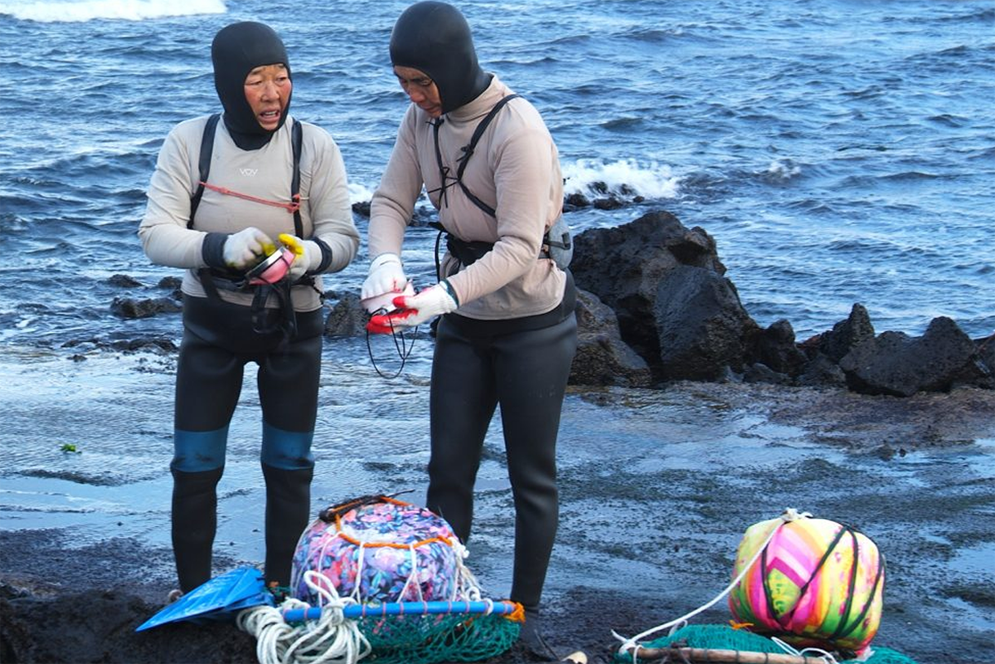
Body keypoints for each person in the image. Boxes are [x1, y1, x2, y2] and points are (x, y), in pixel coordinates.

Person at [360, 2, 577, 659]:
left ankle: (525, 615)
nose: (414, 96)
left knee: (529, 476)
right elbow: (391, 200)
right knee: (447, 470)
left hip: (532, 324)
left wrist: (440, 297)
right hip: (461, 322)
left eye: (422, 82)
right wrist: (386, 264)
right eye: (404, 83)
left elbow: (517, 247)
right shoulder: (420, 120)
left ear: (453, 69)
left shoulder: (518, 130)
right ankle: (446, 597)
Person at [139, 21, 359, 596]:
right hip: (211, 329)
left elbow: (345, 238)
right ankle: (190, 594)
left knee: (289, 466)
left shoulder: (315, 147)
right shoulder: (191, 142)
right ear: (226, 85)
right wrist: (218, 247)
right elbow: (155, 234)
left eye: (282, 78)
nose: (272, 93)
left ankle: (281, 591)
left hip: (293, 330)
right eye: (256, 80)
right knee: (194, 467)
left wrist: (310, 253)